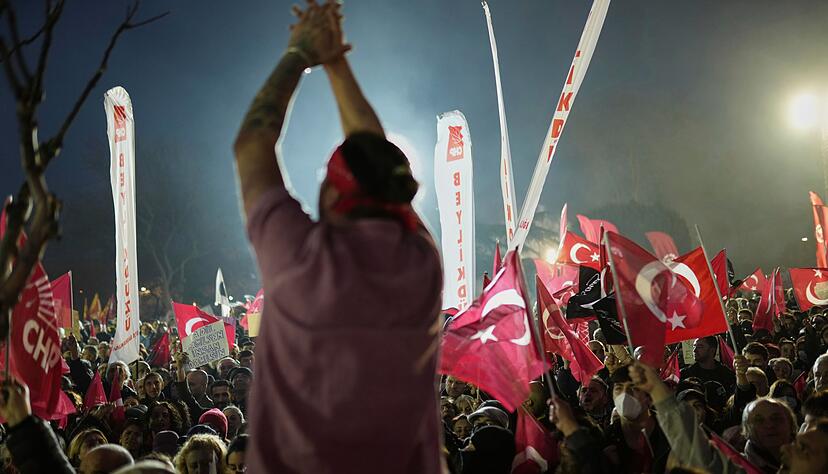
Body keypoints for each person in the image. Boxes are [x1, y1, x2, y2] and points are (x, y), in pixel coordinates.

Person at [234, 1, 443, 472]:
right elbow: (377, 161)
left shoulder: (299, 263)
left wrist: (300, 54)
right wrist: (333, 62)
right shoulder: (420, 264)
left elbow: (251, 142)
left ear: (330, 195)